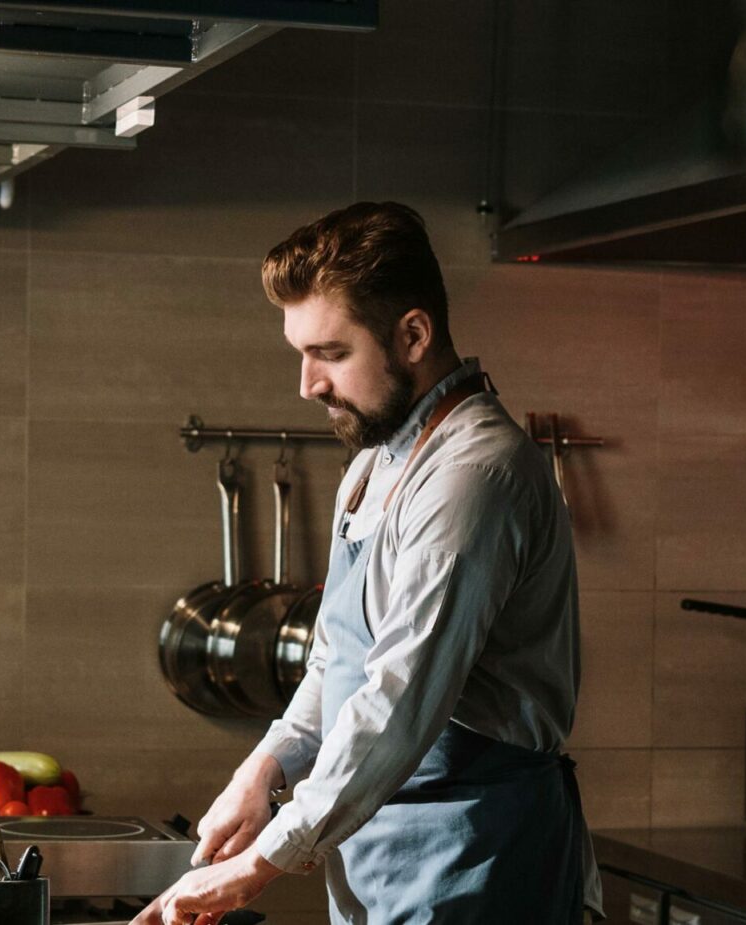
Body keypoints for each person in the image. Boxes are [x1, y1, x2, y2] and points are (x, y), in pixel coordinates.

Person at [133, 202, 600, 925]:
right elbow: (337, 662)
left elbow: (400, 701)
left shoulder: (474, 476)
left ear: (413, 335)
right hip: (382, 864)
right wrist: (265, 768)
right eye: (301, 353)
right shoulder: (374, 465)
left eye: (330, 353)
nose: (308, 384)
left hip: (476, 863)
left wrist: (256, 867)